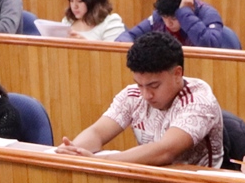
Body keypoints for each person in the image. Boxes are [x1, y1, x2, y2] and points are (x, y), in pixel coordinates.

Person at [56, 33, 223, 167]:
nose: (146, 95)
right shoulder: (133, 95)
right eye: (139, 85)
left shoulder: (199, 100)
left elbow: (165, 151)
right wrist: (74, 151)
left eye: (154, 86)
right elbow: (97, 132)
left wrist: (99, 162)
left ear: (177, 74)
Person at [119, 0, 224, 47]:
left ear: (190, 7)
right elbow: (129, 35)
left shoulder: (208, 14)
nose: (168, 24)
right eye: (165, 17)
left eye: (174, 18)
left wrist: (185, 14)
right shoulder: (159, 16)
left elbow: (211, 44)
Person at [62, 0, 126, 42]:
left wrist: (86, 44)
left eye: (80, 1)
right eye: (71, 0)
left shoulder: (110, 23)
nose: (74, 6)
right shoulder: (67, 21)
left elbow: (113, 52)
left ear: (93, 0)